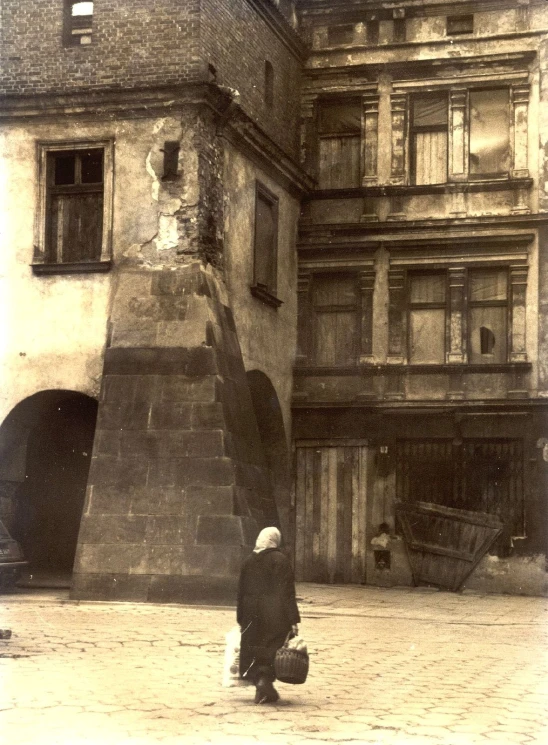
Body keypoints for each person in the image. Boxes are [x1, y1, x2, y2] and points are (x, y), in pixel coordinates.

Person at [237, 527, 300, 704]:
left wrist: (241, 617)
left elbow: (240, 591)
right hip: (274, 612)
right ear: (275, 540)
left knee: (254, 646)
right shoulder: (280, 560)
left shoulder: (248, 561)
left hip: (251, 613)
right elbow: (287, 592)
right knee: (272, 645)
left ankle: (261, 685)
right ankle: (264, 682)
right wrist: (293, 619)